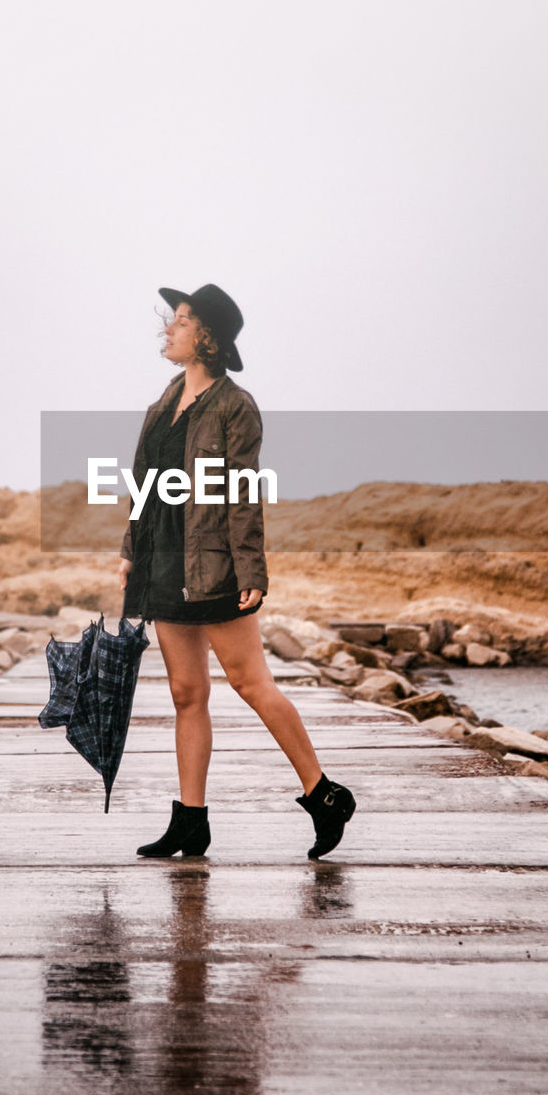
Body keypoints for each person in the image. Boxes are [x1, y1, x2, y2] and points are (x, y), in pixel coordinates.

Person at [119, 283, 356, 860]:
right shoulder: (162, 403)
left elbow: (243, 493)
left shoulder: (234, 406)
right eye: (170, 321)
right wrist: (131, 550)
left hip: (216, 566)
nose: (168, 330)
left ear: (207, 336)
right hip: (163, 562)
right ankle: (190, 821)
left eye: (180, 322)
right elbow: (143, 483)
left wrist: (251, 568)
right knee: (185, 692)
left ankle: (324, 795)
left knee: (251, 684)